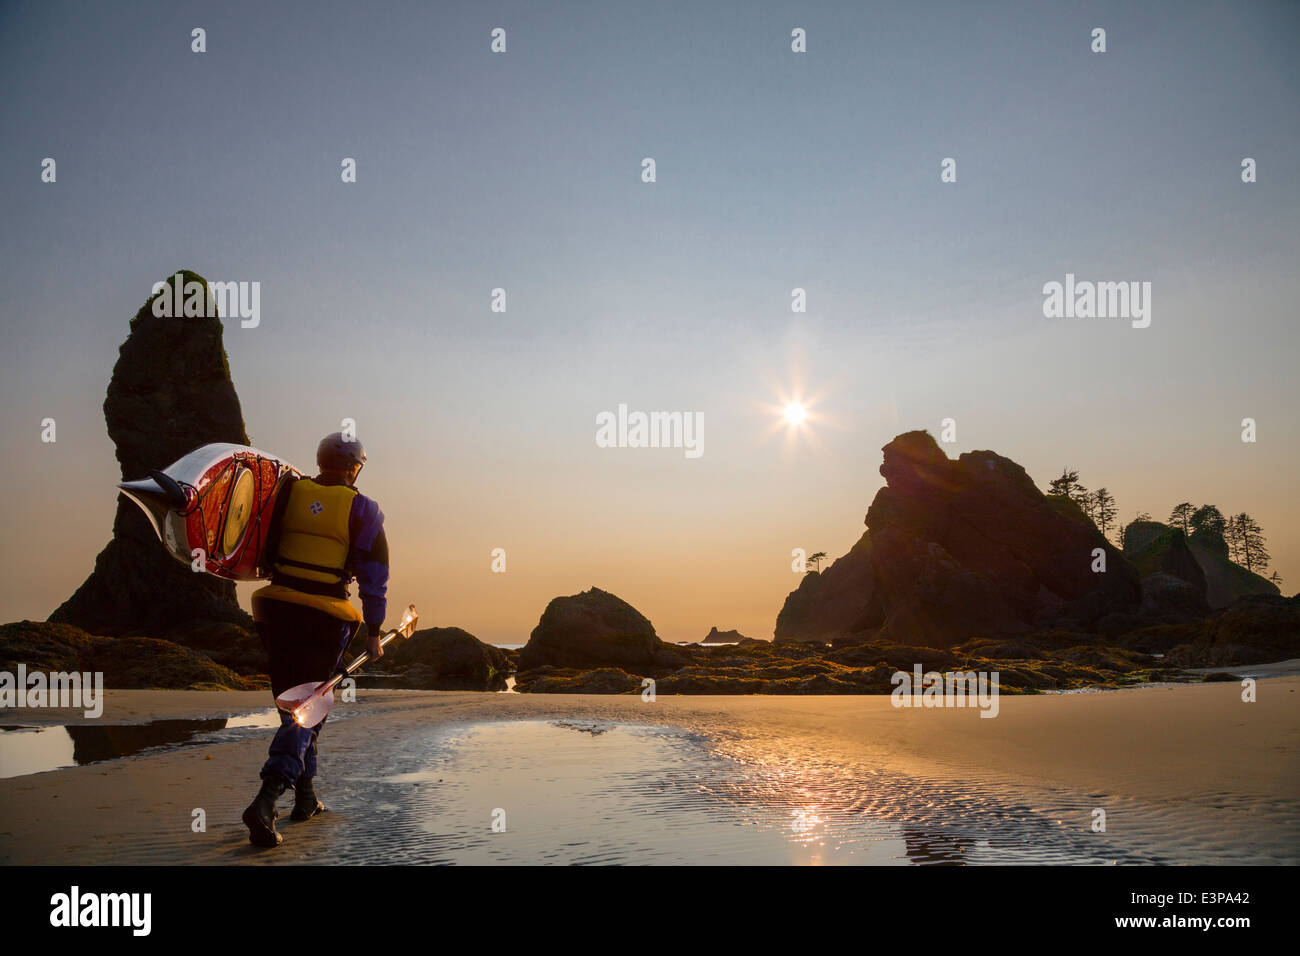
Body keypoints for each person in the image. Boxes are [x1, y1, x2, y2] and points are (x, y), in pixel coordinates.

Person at [242, 432, 388, 847]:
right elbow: (375, 580)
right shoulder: (363, 509)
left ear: (320, 461)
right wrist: (375, 634)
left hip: (276, 612)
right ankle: (267, 798)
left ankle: (305, 798)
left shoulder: (287, 492)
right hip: (323, 618)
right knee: (307, 707)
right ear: (355, 468)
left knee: (295, 703)